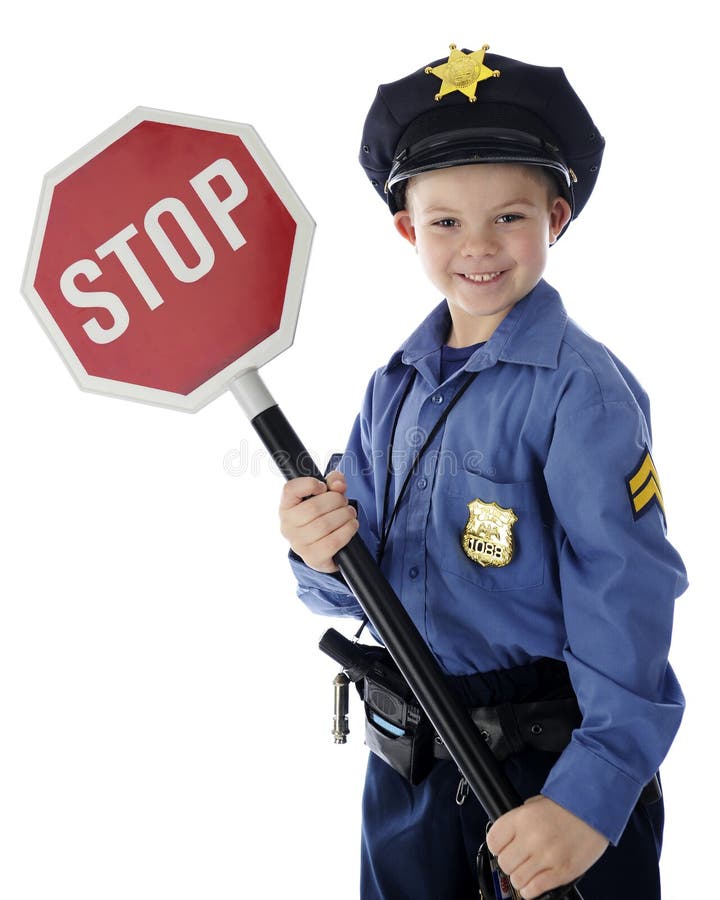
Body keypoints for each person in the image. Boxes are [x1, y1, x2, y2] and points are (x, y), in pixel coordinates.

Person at [278, 43, 686, 900]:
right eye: (446, 222)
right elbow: (360, 587)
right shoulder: (392, 388)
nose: (479, 247)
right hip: (408, 774)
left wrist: (590, 795)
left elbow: (628, 602)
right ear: (407, 230)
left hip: (546, 777)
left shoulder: (583, 395)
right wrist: (318, 553)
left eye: (509, 217)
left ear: (557, 219)